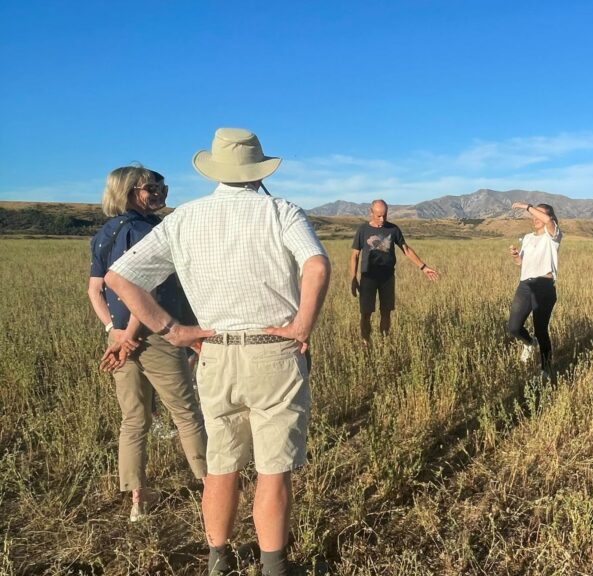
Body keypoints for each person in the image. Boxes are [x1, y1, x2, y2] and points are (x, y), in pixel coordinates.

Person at [104, 128, 331, 576]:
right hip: (274, 353)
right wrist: (302, 325)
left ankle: (218, 561)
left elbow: (118, 279)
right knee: (272, 471)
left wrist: (174, 331)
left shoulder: (184, 218)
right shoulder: (281, 211)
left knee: (221, 465)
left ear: (217, 171)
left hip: (214, 353)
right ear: (257, 171)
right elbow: (318, 265)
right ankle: (274, 568)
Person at [86, 166, 207, 522]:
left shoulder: (104, 234)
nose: (161, 191)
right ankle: (210, 486)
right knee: (186, 415)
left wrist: (114, 330)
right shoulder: (149, 231)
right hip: (153, 336)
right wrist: (132, 335)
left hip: (118, 337)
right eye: (152, 187)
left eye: (162, 185)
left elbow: (96, 289)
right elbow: (144, 290)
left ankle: (138, 500)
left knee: (133, 420)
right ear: (130, 191)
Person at [349, 199, 440, 343]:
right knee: (365, 313)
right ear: (371, 212)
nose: (382, 219)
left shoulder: (393, 229)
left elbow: (406, 250)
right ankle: (366, 344)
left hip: (387, 278)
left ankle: (385, 343)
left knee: (386, 313)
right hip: (368, 278)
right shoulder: (363, 230)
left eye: (384, 215)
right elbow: (355, 255)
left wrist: (423, 267)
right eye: (378, 216)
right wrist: (353, 278)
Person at [507, 202, 562, 379]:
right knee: (514, 327)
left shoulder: (553, 235)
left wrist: (527, 206)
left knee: (541, 329)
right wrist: (516, 256)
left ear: (549, 218)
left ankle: (545, 370)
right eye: (534, 216)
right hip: (525, 286)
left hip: (544, 287)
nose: (535, 218)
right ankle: (529, 343)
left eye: (539, 215)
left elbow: (547, 221)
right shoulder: (528, 237)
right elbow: (521, 264)